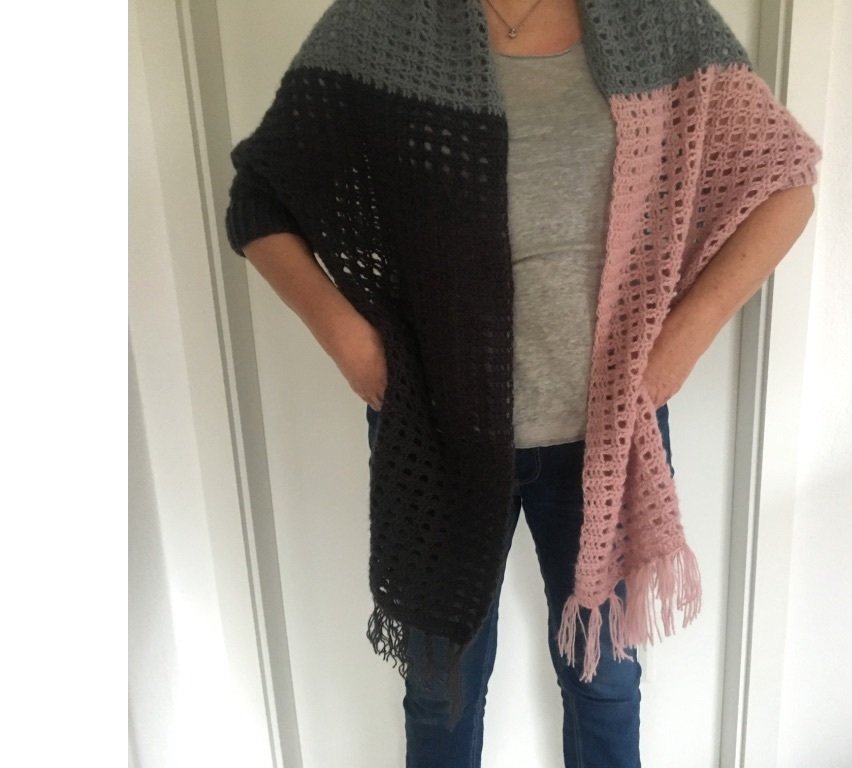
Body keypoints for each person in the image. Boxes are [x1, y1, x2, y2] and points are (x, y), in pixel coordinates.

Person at [226, 1, 820, 765]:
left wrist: (685, 337)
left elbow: (785, 185)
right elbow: (260, 199)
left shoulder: (659, 21)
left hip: (606, 434)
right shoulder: (380, 25)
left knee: (605, 685)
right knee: (441, 694)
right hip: (437, 433)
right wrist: (349, 341)